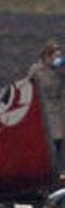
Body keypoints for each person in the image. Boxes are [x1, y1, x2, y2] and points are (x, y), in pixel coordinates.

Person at [28, 40, 64, 172]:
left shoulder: (60, 70)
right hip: (44, 109)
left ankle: (60, 170)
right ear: (47, 56)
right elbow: (28, 86)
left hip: (59, 109)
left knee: (60, 140)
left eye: (59, 57)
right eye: (55, 56)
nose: (57, 59)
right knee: (50, 141)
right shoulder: (37, 70)